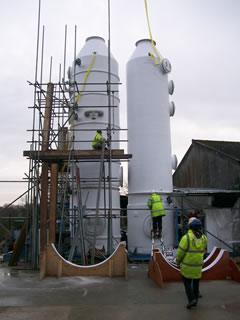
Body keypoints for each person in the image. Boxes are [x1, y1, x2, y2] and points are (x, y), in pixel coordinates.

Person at [176, 218, 207, 309]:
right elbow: (203, 250)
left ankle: (191, 299)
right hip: (198, 265)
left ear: (191, 227)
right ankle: (196, 299)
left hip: (187, 265)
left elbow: (180, 252)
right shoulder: (204, 238)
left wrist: (177, 262)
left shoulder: (186, 238)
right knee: (196, 282)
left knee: (187, 282)